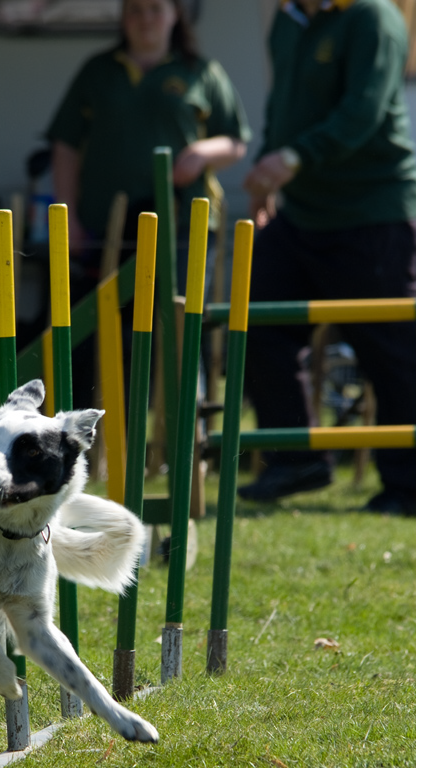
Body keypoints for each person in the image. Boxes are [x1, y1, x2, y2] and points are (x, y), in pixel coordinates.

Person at [236, 0, 416, 515]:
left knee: (390, 352)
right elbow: (282, 107)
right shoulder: (291, 21)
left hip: (373, 211)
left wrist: (291, 160)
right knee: (256, 319)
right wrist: (269, 170)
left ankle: (410, 486)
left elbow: (364, 110)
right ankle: (296, 459)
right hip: (303, 212)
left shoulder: (373, 18)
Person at [44, 0, 251, 406]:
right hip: (109, 225)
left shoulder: (201, 71)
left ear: (175, 15)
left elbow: (236, 142)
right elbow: (65, 144)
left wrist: (203, 153)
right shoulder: (98, 71)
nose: (146, 19)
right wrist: (66, 214)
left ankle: (183, 426)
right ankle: (105, 424)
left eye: (156, 8)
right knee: (105, 327)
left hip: (182, 224)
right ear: (123, 17)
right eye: (135, 9)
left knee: (178, 323)